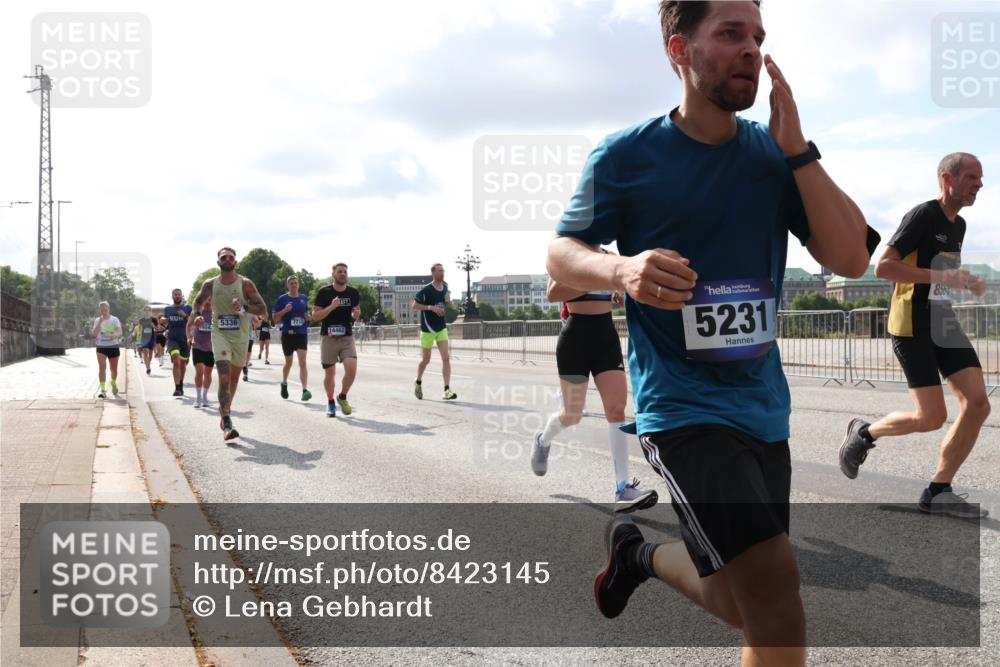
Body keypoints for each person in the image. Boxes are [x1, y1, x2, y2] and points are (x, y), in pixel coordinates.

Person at [547, 2, 877, 663]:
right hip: (683, 408)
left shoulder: (772, 156)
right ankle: (637, 553)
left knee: (742, 600)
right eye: (730, 34)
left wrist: (799, 149)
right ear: (680, 49)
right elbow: (561, 253)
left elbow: (851, 258)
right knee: (778, 587)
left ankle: (635, 555)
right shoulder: (627, 156)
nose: (751, 49)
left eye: (758, 36)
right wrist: (621, 268)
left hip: (762, 408)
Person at [840, 153, 990, 519]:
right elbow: (884, 266)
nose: (979, 184)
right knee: (931, 417)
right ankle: (865, 433)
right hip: (911, 325)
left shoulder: (960, 225)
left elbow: (940, 273)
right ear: (946, 179)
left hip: (944, 321)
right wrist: (942, 278)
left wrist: (965, 280)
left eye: (980, 178)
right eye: (971, 176)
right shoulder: (923, 215)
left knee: (978, 404)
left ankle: (939, 490)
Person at [533, 265, 658, 513]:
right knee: (572, 415)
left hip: (606, 338)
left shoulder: (609, 258)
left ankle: (622, 488)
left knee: (617, 409)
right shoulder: (567, 256)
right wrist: (593, 275)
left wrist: (618, 287)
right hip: (575, 340)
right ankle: (542, 439)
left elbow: (624, 285)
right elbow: (553, 293)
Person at [191, 247, 269, 441]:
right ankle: (227, 422)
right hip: (219, 334)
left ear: (235, 261)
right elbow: (197, 301)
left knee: (233, 379)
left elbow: (262, 308)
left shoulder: (245, 284)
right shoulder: (211, 284)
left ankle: (225, 409)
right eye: (223, 257)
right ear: (218, 262)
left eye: (230, 257)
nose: (227, 259)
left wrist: (243, 308)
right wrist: (198, 315)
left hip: (240, 336)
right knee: (224, 375)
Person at [312, 263, 362, 417]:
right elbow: (315, 316)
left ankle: (343, 396)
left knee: (351, 367)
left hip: (346, 336)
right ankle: (330, 401)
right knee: (330, 374)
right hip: (328, 336)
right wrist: (331, 307)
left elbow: (356, 312)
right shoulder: (324, 292)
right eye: (339, 271)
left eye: (345, 272)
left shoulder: (353, 293)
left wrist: (356, 314)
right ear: (333, 274)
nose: (343, 274)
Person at [413, 263, 457, 400]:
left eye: (443, 270)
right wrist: (431, 308)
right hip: (428, 329)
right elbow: (414, 305)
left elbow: (444, 300)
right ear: (433, 273)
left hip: (441, 327)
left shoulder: (446, 287)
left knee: (446, 358)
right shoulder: (426, 289)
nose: (442, 273)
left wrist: (449, 304)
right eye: (439, 271)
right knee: (426, 360)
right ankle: (418, 381)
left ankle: (446, 390)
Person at [272, 275, 312, 401]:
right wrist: (284, 310)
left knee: (303, 362)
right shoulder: (282, 299)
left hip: (301, 334)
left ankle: (304, 389)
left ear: (298, 285)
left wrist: (308, 317)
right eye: (291, 283)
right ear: (287, 285)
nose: (294, 285)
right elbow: (274, 318)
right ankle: (284, 383)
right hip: (287, 335)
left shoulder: (303, 298)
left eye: (296, 283)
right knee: (288, 363)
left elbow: (306, 314)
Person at [163, 288, 193, 396]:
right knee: (176, 361)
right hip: (172, 338)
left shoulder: (187, 308)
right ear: (172, 296)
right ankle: (177, 388)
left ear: (182, 296)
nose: (177, 296)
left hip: (185, 339)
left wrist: (185, 316)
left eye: (179, 294)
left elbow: (193, 321)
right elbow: (165, 323)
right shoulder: (167, 309)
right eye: (175, 294)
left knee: (183, 364)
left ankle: (180, 384)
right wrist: (164, 323)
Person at [187, 294, 215, 408]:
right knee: (199, 371)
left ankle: (204, 396)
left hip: (211, 347)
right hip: (197, 345)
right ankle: (198, 397)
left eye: (210, 298)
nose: (208, 300)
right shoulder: (196, 312)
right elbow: (188, 326)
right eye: (206, 298)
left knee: (208, 373)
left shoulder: (216, 314)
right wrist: (189, 337)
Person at [92, 301, 123, 398]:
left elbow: (119, 331)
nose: (104, 311)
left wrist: (114, 335)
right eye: (102, 310)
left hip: (113, 346)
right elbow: (94, 333)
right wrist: (100, 323)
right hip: (101, 346)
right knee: (102, 367)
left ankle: (113, 383)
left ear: (108, 309)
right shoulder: (97, 320)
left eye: (105, 309)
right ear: (99, 310)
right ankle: (102, 390)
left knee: (113, 369)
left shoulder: (114, 319)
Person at [139, 307, 155, 374]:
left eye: (148, 310)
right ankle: (147, 367)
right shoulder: (141, 320)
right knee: (145, 352)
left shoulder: (153, 319)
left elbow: (157, 328)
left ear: (150, 311)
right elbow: (139, 328)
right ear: (144, 311)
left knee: (150, 354)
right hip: (144, 338)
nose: (147, 312)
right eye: (145, 310)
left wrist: (153, 326)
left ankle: (148, 364)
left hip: (151, 337)